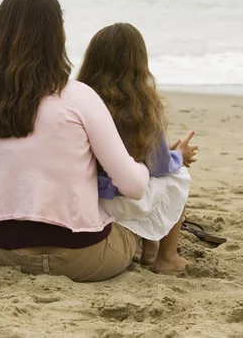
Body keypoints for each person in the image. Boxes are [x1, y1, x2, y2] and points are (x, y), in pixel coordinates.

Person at [0, 0, 150, 282]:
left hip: (5, 254)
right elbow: (134, 186)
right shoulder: (78, 96)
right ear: (56, 36)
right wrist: (145, 167)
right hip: (84, 258)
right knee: (150, 200)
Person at [77, 22, 199, 272]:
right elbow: (159, 166)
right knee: (178, 175)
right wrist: (178, 155)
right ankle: (166, 257)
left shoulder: (80, 98)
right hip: (121, 200)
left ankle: (150, 248)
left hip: (86, 197)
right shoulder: (143, 105)